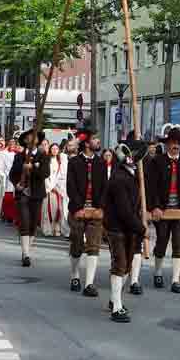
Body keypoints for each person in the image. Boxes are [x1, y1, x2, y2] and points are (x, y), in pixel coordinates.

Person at [147, 123, 180, 294]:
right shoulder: (157, 162)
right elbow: (151, 187)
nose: (175, 146)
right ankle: (158, 272)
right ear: (166, 144)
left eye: (178, 143)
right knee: (161, 242)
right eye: (172, 142)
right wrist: (155, 207)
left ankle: (176, 279)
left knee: (178, 244)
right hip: (163, 209)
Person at [102, 140, 147, 323]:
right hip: (117, 228)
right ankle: (117, 308)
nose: (135, 161)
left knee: (126, 265)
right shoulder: (120, 179)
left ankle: (115, 300)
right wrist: (141, 228)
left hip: (128, 228)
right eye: (133, 158)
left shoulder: (129, 176)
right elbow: (124, 211)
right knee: (120, 265)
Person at [66, 123, 107, 295]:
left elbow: (106, 187)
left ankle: (89, 283)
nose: (98, 141)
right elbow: (71, 187)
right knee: (76, 243)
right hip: (78, 210)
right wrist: (77, 208)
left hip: (96, 210)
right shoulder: (74, 162)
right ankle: (75, 274)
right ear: (87, 143)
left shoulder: (101, 162)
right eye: (95, 139)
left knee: (94, 246)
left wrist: (101, 208)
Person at [9, 130, 51, 267]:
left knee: (33, 223)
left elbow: (45, 173)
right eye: (29, 137)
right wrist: (17, 185)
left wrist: (32, 168)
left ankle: (27, 249)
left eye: (35, 137)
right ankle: (26, 254)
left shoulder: (43, 156)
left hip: (37, 194)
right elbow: (12, 174)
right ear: (25, 141)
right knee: (25, 222)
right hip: (23, 194)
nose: (32, 139)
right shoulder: (19, 156)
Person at [42, 141, 69, 237]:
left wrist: (57, 187)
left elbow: (60, 175)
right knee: (48, 210)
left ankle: (57, 229)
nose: (54, 150)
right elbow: (45, 175)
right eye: (53, 148)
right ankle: (47, 230)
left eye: (56, 149)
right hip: (48, 187)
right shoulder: (46, 160)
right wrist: (49, 187)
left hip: (58, 188)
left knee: (58, 210)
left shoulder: (60, 161)